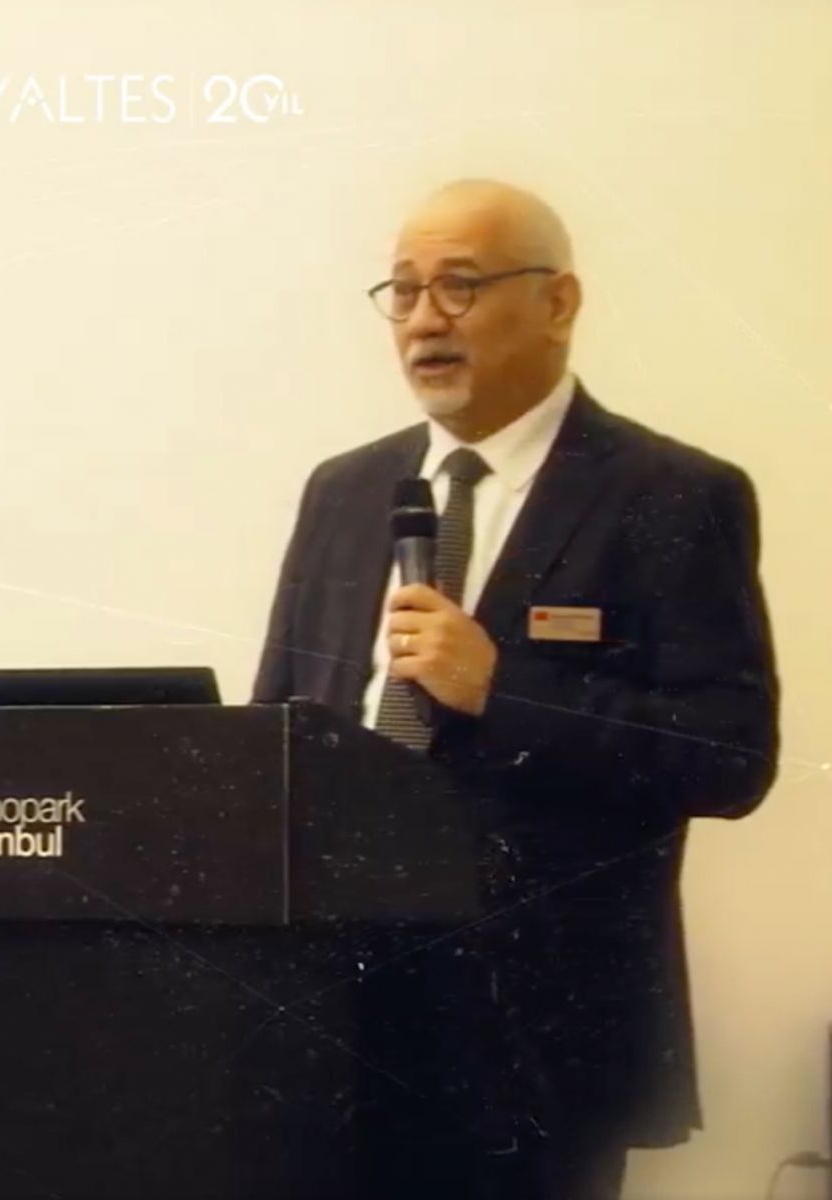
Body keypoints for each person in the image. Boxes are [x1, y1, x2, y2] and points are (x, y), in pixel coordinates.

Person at [251, 179, 779, 1198]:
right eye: (403, 291)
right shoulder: (346, 490)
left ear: (557, 302)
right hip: (335, 1013)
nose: (423, 320)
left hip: (538, 1040)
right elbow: (279, 719)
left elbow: (731, 757)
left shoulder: (671, 494)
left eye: (459, 285)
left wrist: (502, 690)